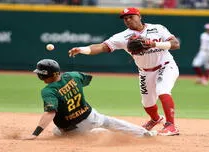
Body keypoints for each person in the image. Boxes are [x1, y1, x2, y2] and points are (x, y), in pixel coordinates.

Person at [68, 7, 180, 136]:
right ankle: (155, 119)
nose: (127, 20)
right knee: (147, 103)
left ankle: (171, 125)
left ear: (139, 16)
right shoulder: (122, 37)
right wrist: (82, 49)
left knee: (162, 90)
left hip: (165, 66)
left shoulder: (158, 28)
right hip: (145, 72)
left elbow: (175, 44)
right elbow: (102, 46)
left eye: (130, 17)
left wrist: (153, 44)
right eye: (125, 19)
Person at [23, 59, 157, 140]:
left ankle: (99, 135)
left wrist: (35, 134)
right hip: (91, 116)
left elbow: (50, 113)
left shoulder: (48, 91)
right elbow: (87, 78)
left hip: (72, 130)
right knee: (111, 122)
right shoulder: (72, 76)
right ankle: (143, 133)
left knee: (57, 132)